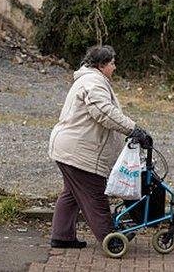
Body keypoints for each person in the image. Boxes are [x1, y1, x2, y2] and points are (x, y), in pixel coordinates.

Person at [48, 44, 150, 248]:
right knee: (95, 196)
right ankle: (110, 239)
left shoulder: (91, 80)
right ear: (101, 65)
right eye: (112, 63)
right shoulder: (93, 82)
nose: (115, 67)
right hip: (80, 152)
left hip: (68, 148)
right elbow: (104, 112)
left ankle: (62, 236)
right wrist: (133, 129)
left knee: (71, 194)